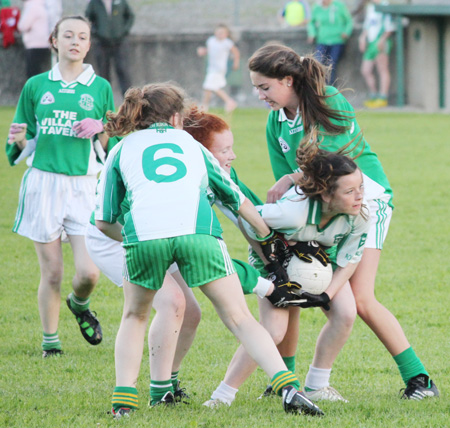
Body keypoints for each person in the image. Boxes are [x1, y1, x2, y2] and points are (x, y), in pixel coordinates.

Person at [94, 82, 323, 418]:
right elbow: (236, 199)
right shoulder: (191, 144)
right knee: (239, 317)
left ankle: (123, 405)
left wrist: (133, 236)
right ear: (176, 118)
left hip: (144, 238)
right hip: (198, 234)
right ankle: (288, 389)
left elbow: (103, 221)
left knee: (135, 316)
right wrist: (269, 240)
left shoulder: (120, 149)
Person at [247, 42, 439, 401]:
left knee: (361, 299)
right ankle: (286, 384)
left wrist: (291, 180)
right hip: (320, 206)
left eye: (264, 87)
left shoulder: (329, 99)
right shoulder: (275, 122)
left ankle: (419, 380)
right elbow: (286, 181)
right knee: (296, 287)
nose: (259, 95)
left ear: (288, 80)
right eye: (257, 87)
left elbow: (334, 163)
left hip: (363, 203)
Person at [204, 137, 370, 407]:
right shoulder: (293, 213)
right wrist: (272, 263)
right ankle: (222, 396)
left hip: (320, 264)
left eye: (361, 187)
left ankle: (317, 385)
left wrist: (326, 295)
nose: (360, 196)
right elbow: (249, 220)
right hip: (274, 262)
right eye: (350, 191)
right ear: (326, 195)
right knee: (273, 331)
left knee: (345, 313)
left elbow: (350, 260)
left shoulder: (362, 214)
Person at [5, 16, 115, 358]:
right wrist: (19, 141)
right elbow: (20, 141)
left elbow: (111, 140)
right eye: (68, 35)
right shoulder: (36, 85)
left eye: (82, 36)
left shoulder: (101, 87)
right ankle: (50, 343)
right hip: (44, 185)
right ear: (54, 40)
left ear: (88, 44)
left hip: (84, 187)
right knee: (51, 272)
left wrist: (100, 126)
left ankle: (78, 303)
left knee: (89, 272)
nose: (75, 41)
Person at [85, 0, 134, 96]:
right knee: (103, 73)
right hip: (101, 43)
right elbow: (88, 19)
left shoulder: (120, 2)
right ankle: (105, 99)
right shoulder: (94, 3)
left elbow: (130, 16)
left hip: (119, 43)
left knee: (123, 71)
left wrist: (123, 31)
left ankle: (129, 99)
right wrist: (97, 33)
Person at [359, 0, 395, 108]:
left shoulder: (385, 5)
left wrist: (383, 39)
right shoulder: (370, 7)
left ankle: (383, 97)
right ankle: (374, 95)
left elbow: (389, 26)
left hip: (381, 41)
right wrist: (363, 37)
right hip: (370, 43)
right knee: (365, 70)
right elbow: (368, 25)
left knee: (382, 69)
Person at [307, 0, 353, 85]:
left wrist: (346, 32)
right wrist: (312, 33)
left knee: (331, 64)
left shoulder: (339, 5)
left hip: (337, 40)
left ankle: (330, 87)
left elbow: (349, 21)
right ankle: (318, 85)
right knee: (318, 61)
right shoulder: (317, 7)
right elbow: (311, 22)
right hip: (322, 40)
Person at [197, 24, 240, 113]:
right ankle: (208, 105)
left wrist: (236, 63)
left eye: (222, 32)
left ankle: (206, 106)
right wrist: (203, 51)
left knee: (209, 86)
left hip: (219, 69)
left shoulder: (227, 43)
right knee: (211, 87)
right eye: (218, 32)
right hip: (211, 68)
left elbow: (236, 52)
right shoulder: (211, 41)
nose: (220, 34)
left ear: (226, 34)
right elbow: (209, 51)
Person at [17, 0, 51, 78]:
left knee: (32, 73)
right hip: (42, 43)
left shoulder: (33, 6)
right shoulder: (40, 5)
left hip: (35, 44)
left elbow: (23, 26)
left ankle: (34, 90)